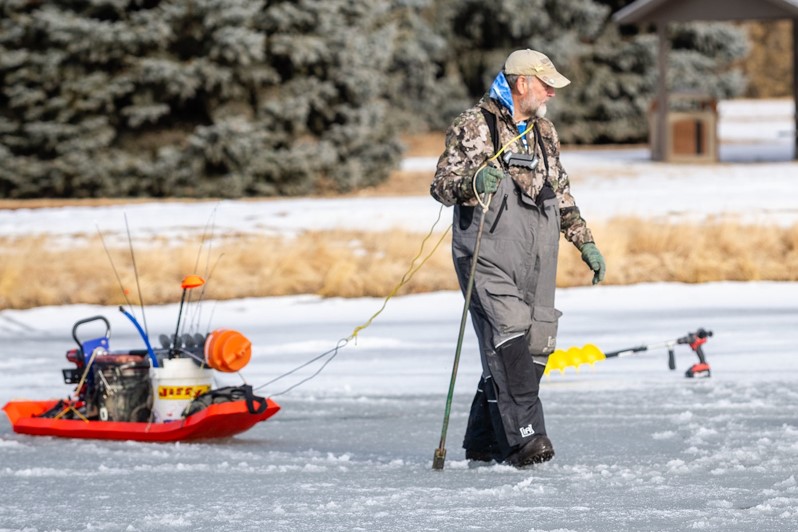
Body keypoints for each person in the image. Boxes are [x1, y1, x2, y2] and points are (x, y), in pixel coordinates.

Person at [430, 49, 605, 468]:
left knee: (537, 341)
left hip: (537, 253)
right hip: (485, 253)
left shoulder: (544, 131)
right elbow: (441, 185)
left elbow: (560, 192)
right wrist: (474, 181)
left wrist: (585, 242)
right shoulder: (475, 124)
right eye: (546, 84)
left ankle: (484, 441)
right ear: (521, 82)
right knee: (509, 332)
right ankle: (526, 439)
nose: (552, 93)